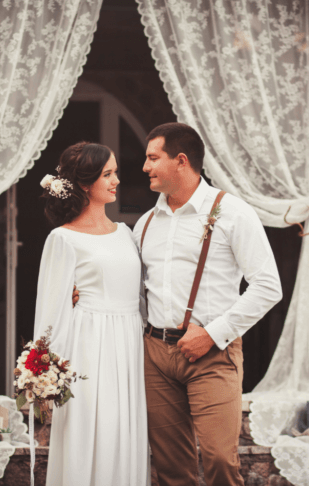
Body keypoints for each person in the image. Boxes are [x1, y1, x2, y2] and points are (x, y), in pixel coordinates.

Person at [134, 123, 283, 486]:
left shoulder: (233, 213)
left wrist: (214, 334)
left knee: (219, 460)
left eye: (153, 158)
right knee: (171, 469)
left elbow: (268, 287)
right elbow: (134, 291)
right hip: (155, 355)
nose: (145, 167)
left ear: (181, 161)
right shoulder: (145, 224)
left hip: (213, 355)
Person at [33, 142, 150, 486]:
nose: (116, 180)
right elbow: (50, 309)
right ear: (85, 184)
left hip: (129, 345)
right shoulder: (63, 239)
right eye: (108, 174)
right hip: (88, 347)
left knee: (124, 435)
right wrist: (44, 371)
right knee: (90, 434)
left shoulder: (127, 235)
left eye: (115, 172)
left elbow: (141, 297)